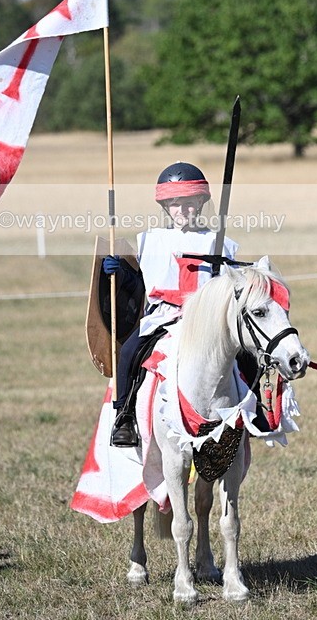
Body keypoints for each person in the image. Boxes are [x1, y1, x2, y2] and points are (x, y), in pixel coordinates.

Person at [102, 162, 239, 447]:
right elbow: (141, 286)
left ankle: (256, 412)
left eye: (189, 203)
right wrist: (120, 273)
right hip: (163, 318)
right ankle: (125, 418)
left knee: (245, 355)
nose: (182, 210)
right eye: (175, 204)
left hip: (207, 322)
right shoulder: (150, 240)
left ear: (201, 202)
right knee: (129, 353)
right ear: (165, 206)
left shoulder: (220, 243)